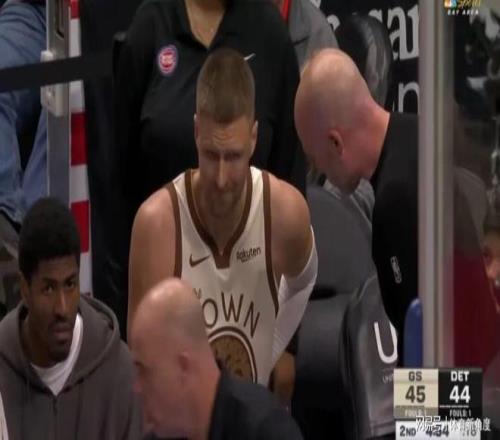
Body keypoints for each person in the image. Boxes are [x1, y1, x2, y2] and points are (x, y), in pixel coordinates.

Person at [110, 0, 306, 337]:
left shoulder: (269, 32)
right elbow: (118, 183)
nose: (221, 175)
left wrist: (287, 345)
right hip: (164, 280)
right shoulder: (150, 26)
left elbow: (290, 172)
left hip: (251, 296)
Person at [129, 49, 316, 394]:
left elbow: (304, 280)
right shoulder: (157, 226)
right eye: (211, 155)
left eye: (233, 157)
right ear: (196, 131)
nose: (220, 177)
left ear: (254, 138)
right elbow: (144, 371)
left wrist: (278, 347)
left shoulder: (284, 212)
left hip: (254, 417)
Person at [294, 48, 417, 360]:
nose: (319, 171)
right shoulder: (423, 135)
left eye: (315, 158)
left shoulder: (395, 201)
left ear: (336, 143)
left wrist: (405, 391)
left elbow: (428, 357)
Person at [0, 197, 142, 439]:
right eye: (48, 288)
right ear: (25, 289)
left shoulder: (119, 372)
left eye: (70, 284)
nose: (63, 308)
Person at [131, 277, 304, 439]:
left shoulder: (266, 430)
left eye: (145, 371)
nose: (137, 387)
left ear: (182, 367)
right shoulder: (162, 434)